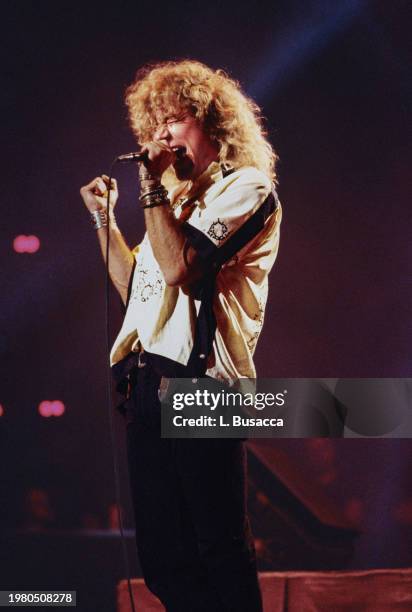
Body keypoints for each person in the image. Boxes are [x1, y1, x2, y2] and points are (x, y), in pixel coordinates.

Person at [80, 60, 282, 611]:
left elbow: (179, 269)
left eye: (175, 119)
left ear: (213, 124)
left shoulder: (246, 188)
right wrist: (106, 222)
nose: (162, 136)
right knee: (165, 562)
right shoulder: (171, 205)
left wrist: (150, 187)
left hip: (205, 386)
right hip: (145, 385)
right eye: (154, 125)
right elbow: (140, 292)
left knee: (219, 549)